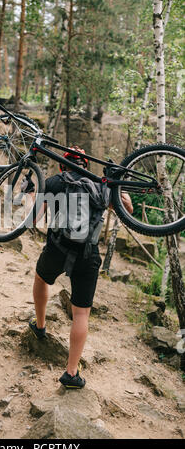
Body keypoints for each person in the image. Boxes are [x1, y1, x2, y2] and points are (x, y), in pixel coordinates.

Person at [28, 147, 133, 389]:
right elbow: (128, 209)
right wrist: (114, 183)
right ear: (85, 165)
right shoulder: (99, 185)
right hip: (88, 255)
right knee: (81, 313)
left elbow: (32, 219)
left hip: (56, 247)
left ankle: (41, 326)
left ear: (63, 165)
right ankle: (71, 373)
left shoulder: (54, 181)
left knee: (41, 279)